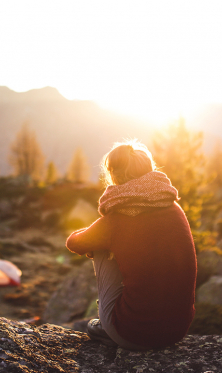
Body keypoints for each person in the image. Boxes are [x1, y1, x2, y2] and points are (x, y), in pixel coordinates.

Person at [66, 140, 197, 350]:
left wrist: (103, 235)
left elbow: (74, 243)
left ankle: (108, 323)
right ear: (149, 170)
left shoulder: (117, 219)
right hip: (177, 331)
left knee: (99, 245)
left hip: (132, 335)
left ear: (114, 176)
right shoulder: (174, 207)